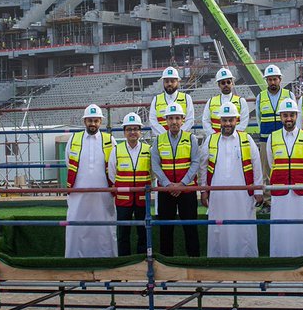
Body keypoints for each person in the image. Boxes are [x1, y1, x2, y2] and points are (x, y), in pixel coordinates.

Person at [200, 102, 264, 257]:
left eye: (230, 120)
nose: (227, 123)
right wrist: (203, 191)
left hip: (242, 195)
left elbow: (256, 165)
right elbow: (203, 167)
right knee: (219, 228)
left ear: (237, 120)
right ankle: (219, 261)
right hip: (218, 194)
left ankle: (246, 261)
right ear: (219, 121)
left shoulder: (246, 139)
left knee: (243, 228)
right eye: (224, 120)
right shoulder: (210, 140)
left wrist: (258, 190)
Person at [265, 97, 303, 257]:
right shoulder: (272, 137)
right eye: (285, 115)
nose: (289, 118)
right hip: (281, 191)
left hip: (302, 190)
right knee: (281, 228)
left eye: (292, 115)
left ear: (297, 116)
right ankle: (281, 258)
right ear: (280, 117)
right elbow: (272, 163)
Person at [65, 104, 117, 258]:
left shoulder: (110, 140)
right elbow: (69, 161)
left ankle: (107, 259)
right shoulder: (74, 139)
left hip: (104, 192)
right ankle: (75, 259)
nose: (93, 124)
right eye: (90, 120)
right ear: (84, 121)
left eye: (96, 120)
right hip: (78, 192)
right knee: (77, 225)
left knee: (105, 227)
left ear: (100, 122)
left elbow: (114, 163)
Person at [151, 102, 202, 257]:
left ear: (183, 120)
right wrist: (168, 185)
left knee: (190, 227)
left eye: (177, 118)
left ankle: (194, 263)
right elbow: (155, 165)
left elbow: (196, 162)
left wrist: (182, 184)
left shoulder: (191, 138)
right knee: (166, 228)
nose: (174, 122)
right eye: (171, 118)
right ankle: (167, 263)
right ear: (166, 120)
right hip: (166, 191)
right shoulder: (158, 140)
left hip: (187, 190)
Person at [108, 112, 153, 256]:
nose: (132, 132)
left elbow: (152, 173)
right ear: (124, 132)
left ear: (140, 131)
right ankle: (124, 262)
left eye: (135, 129)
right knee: (123, 234)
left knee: (144, 233)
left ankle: (142, 261)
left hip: (142, 199)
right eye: (129, 129)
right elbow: (112, 173)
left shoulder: (148, 150)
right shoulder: (116, 150)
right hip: (123, 200)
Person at [201, 67, 249, 137]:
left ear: (232, 83)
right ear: (219, 85)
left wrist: (231, 136)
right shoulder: (211, 102)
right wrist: (214, 135)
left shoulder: (241, 101)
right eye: (223, 83)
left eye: (228, 82)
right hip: (216, 139)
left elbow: (244, 122)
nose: (226, 84)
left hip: (235, 139)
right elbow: (205, 121)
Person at [147, 66, 194, 136]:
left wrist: (179, 135)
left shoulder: (186, 98)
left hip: (182, 139)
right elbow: (152, 121)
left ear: (178, 82)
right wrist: (166, 136)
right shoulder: (156, 99)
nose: (169, 84)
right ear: (163, 82)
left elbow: (190, 120)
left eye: (172, 81)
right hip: (162, 140)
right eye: (166, 81)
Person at [256, 64, 293, 145]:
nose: (272, 82)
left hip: (285, 138)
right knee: (265, 158)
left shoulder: (289, 95)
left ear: (280, 79)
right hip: (266, 138)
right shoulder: (260, 97)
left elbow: (295, 117)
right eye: (270, 79)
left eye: (275, 79)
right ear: (266, 81)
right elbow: (259, 118)